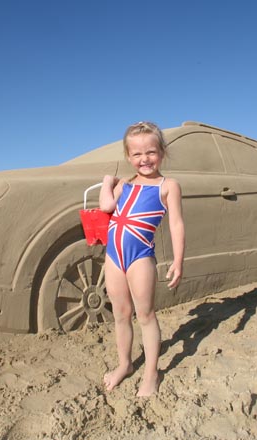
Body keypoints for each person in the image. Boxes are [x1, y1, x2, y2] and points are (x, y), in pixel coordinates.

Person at [99, 121, 185, 397]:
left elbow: (176, 225)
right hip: (114, 257)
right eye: (136, 154)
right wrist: (107, 183)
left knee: (146, 315)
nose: (144, 159)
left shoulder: (167, 185)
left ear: (162, 152)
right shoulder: (123, 185)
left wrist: (178, 260)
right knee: (121, 314)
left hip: (140, 257)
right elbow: (106, 207)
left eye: (150, 152)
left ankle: (151, 373)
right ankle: (125, 364)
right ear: (127, 156)